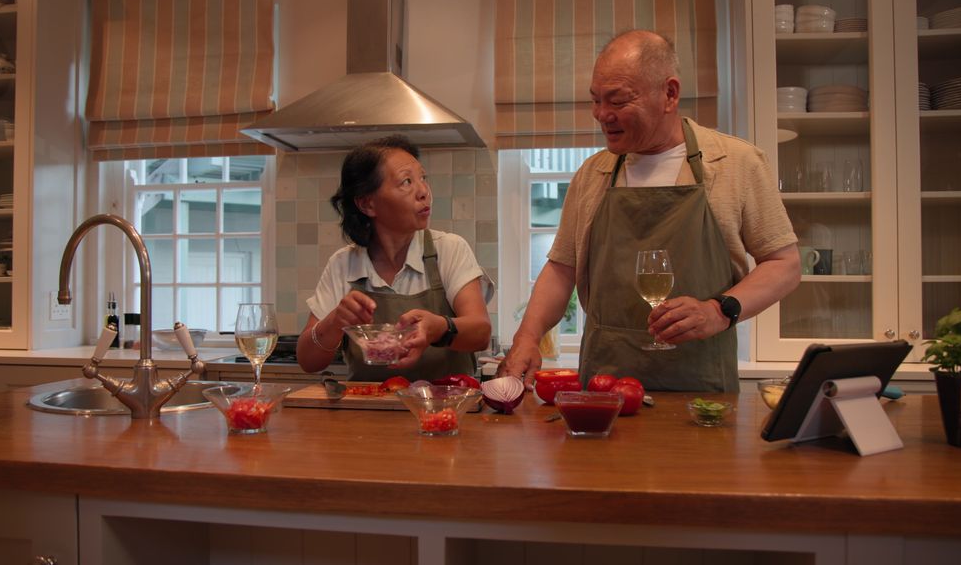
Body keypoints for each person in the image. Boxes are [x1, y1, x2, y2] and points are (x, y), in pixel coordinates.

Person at [498, 31, 800, 392]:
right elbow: (563, 268)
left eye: (618, 101)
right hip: (603, 387)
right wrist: (528, 336)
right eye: (595, 100)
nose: (602, 115)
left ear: (669, 94)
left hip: (700, 387)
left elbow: (784, 264)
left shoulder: (736, 163)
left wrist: (719, 311)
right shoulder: (593, 174)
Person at [297, 135, 492, 381]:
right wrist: (335, 321)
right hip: (368, 411)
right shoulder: (343, 264)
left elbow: (481, 332)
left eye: (423, 178)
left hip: (442, 411)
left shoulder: (449, 249)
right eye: (406, 182)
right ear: (368, 204)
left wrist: (437, 329)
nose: (424, 192)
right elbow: (307, 361)